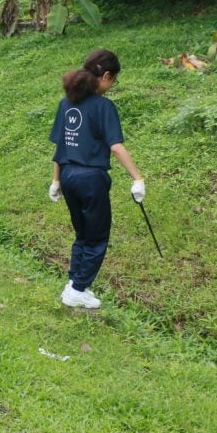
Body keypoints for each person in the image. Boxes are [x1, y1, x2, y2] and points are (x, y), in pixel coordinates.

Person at [49, 49, 144, 309]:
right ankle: (78, 289)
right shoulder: (104, 106)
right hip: (91, 179)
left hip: (68, 176)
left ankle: (74, 284)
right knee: (97, 237)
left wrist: (56, 181)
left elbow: (60, 147)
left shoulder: (66, 103)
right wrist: (138, 178)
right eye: (113, 81)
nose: (112, 86)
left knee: (82, 234)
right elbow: (116, 146)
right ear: (106, 76)